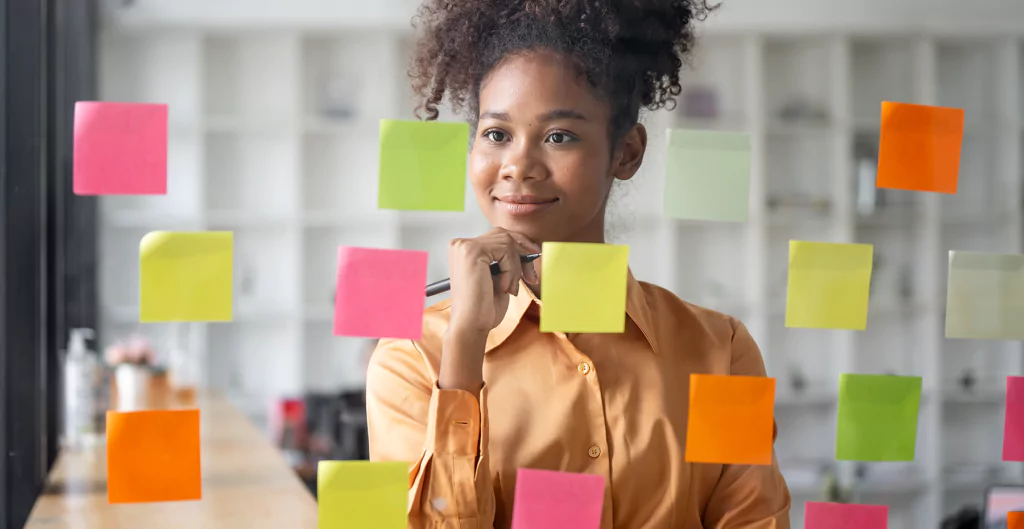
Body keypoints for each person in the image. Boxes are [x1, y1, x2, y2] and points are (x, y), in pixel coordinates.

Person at [365, 0, 792, 527]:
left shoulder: (721, 350)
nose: (518, 166)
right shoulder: (412, 358)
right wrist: (464, 350)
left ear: (626, 153)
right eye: (497, 134)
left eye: (559, 136)